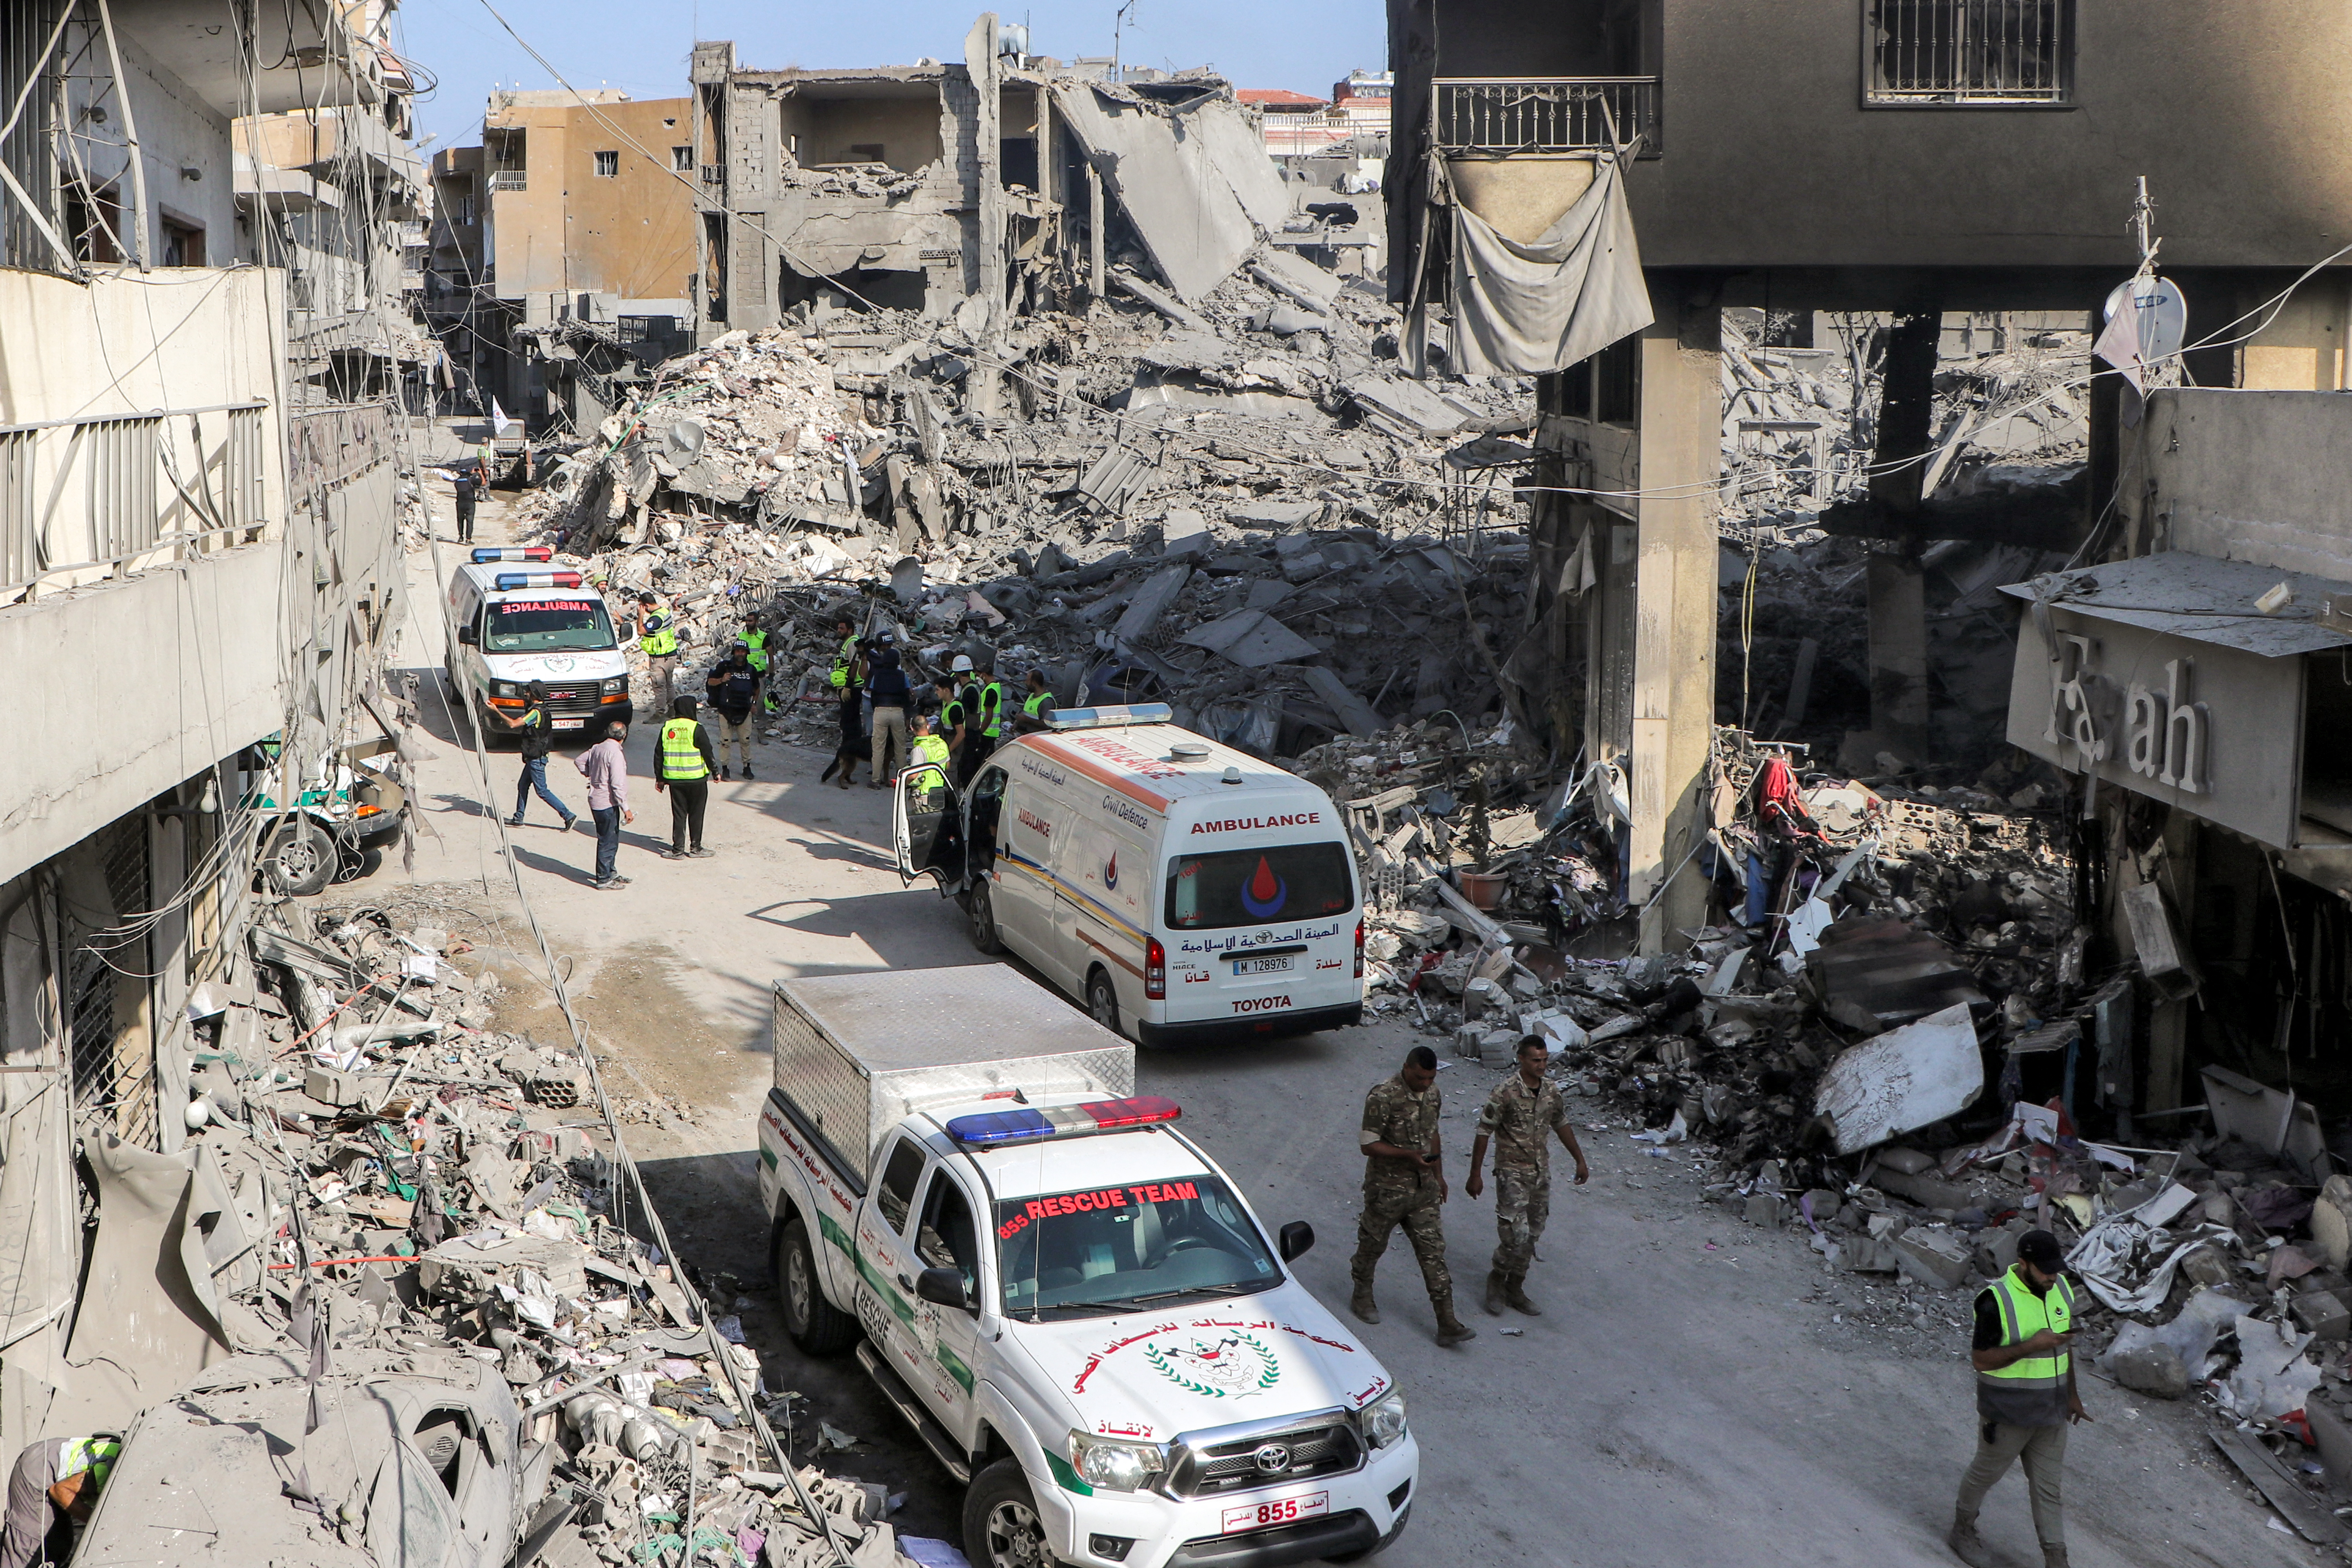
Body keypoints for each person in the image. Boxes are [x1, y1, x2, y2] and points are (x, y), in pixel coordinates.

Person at [1949, 1229, 2087, 1568]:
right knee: (1985, 1474)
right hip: (2007, 1414)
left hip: (2051, 1415)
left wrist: (2073, 1396)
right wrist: (2031, 1346)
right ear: (2022, 1263)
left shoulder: (2061, 1290)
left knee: (2049, 1490)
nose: (2052, 1277)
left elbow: (2064, 1348)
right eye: (2044, 1270)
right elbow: (1981, 1360)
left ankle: (2058, 1561)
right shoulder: (1995, 1300)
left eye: (2056, 1270)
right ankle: (1962, 1530)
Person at [1349, 1046, 1475, 1347]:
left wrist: (1439, 1175)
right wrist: (1409, 1156)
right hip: (1388, 1191)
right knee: (1372, 1245)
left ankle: (1447, 1322)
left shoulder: (1433, 1095)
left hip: (1424, 1192)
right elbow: (1368, 1145)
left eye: (1431, 1078)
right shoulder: (1383, 1097)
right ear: (1406, 1068)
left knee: (1434, 1254)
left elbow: (1433, 1134)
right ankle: (1362, 1295)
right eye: (1420, 1078)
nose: (1425, 1084)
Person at [1464, 1035, 1589, 1316]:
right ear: (1521, 1059)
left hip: (1539, 1174)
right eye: (1536, 1060)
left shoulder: (1551, 1091)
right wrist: (1476, 1175)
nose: (1542, 1065)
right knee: (1514, 1235)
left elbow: (1560, 1122)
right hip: (1512, 1174)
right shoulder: (1505, 1092)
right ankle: (1497, 1279)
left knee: (1533, 1234)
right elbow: (1484, 1132)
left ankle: (1516, 1286)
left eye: (1545, 1060)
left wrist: (1580, 1160)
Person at [0, 1434, 117, 1568]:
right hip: (38, 1469)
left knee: (60, 1542)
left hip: (58, 1462)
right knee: (30, 1548)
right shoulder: (108, 1471)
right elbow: (60, 1491)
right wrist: (99, 1523)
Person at [506, 681, 579, 832]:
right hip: (536, 756)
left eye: (528, 692)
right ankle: (519, 818)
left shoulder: (535, 713)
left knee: (542, 791)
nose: (526, 694)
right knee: (523, 785)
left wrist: (495, 710)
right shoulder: (543, 710)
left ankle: (568, 816)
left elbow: (514, 724)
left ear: (534, 695)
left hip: (536, 758)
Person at [652, 694, 717, 859]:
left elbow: (659, 755)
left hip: (675, 781)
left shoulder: (667, 728)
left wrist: (660, 779)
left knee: (679, 814)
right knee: (697, 814)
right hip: (697, 780)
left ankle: (678, 850)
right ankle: (696, 848)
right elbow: (708, 752)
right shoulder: (697, 728)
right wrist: (715, 772)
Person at [573, 719, 634, 889]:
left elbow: (579, 761)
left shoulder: (597, 748)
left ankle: (610, 872)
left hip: (596, 799)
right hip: (607, 802)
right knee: (608, 840)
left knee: (610, 838)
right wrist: (626, 808)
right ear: (624, 736)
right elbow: (617, 784)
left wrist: (591, 774)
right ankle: (604, 879)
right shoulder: (615, 754)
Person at [704, 640, 762, 780]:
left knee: (746, 740)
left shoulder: (752, 670)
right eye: (738, 651)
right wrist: (722, 680)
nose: (740, 654)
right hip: (726, 710)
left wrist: (754, 703)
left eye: (743, 651)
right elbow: (710, 681)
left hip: (744, 710)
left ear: (747, 653)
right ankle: (725, 769)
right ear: (734, 653)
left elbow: (757, 688)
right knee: (725, 741)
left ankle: (747, 768)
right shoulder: (724, 667)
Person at [861, 632, 912, 790]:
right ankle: (901, 780)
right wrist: (907, 715)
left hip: (880, 711)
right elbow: (908, 694)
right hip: (898, 712)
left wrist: (878, 707)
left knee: (878, 746)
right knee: (900, 747)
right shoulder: (902, 675)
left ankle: (875, 780)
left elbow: (873, 693)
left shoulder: (878, 674)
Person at [829, 618, 864, 787]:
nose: (839, 630)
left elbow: (855, 665)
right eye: (838, 628)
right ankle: (847, 767)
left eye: (842, 628)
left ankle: (846, 764)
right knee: (850, 725)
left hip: (851, 690)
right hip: (847, 689)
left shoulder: (852, 644)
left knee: (849, 726)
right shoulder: (848, 643)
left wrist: (848, 687)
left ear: (850, 630)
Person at [637, 592, 681, 713]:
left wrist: (640, 616)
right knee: (669, 684)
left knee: (659, 686)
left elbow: (641, 631)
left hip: (660, 657)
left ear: (646, 605)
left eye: (642, 606)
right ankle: (672, 710)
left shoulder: (656, 619)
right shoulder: (664, 612)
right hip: (670, 654)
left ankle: (660, 712)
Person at [742, 613, 780, 715]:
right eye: (747, 621)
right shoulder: (742, 637)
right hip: (744, 674)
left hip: (759, 675)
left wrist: (771, 675)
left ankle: (759, 724)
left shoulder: (764, 637)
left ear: (757, 622)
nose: (748, 623)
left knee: (758, 705)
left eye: (751, 621)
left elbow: (771, 656)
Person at [931, 675, 969, 772]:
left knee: (951, 775)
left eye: (938, 690)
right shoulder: (947, 704)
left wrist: (948, 751)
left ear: (946, 690)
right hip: (948, 743)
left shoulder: (955, 709)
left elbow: (961, 734)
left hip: (954, 748)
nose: (936, 693)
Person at [1015, 668, 1056, 732]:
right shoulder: (1032, 696)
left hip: (1037, 738)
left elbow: (1047, 725)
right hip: (1026, 735)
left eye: (1028, 681)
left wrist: (1026, 719)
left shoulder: (1047, 701)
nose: (1026, 683)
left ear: (1034, 683)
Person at [450, 461, 479, 543]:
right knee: (470, 521)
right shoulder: (471, 480)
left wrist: (469, 474)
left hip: (460, 503)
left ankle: (461, 537)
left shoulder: (457, 482)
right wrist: (479, 474)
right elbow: (483, 483)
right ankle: (468, 539)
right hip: (470, 502)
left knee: (460, 520)